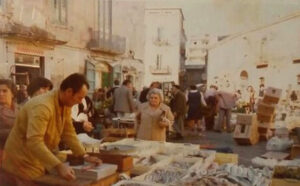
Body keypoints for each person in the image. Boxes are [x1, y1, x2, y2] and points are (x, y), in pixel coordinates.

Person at [2, 73, 102, 181]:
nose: (79, 101)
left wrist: (84, 155)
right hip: (21, 160)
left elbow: (68, 132)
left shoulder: (64, 104)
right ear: (69, 92)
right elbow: (34, 142)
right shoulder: (43, 106)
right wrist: (58, 166)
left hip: (36, 158)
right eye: (79, 98)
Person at [0, 79, 17, 155]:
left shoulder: (21, 108)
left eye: (4, 91)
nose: (1, 94)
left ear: (12, 93)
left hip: (19, 154)